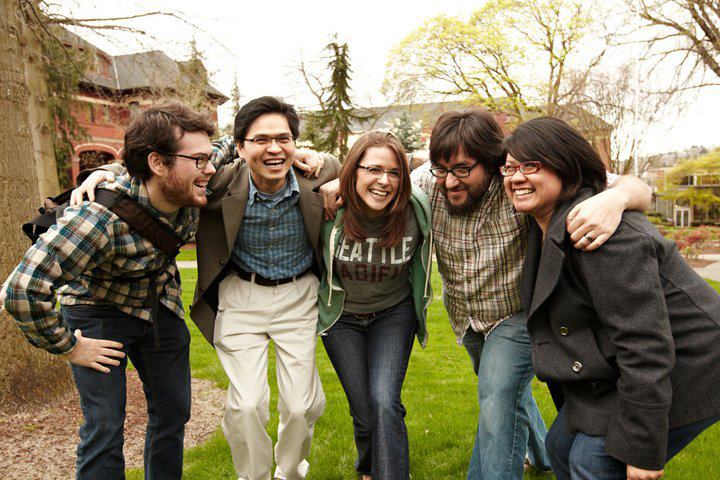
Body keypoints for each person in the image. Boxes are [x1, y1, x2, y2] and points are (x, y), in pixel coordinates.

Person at [317, 108, 652, 479]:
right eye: (441, 169)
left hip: (518, 314)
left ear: (493, 163)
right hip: (468, 321)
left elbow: (637, 187)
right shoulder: (428, 184)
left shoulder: (517, 184)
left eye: (463, 170)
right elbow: (380, 177)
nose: (450, 182)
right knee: (508, 395)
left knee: (497, 399)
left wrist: (616, 200)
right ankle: (542, 458)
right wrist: (338, 183)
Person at [77, 96, 340, 480]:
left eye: (284, 139)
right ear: (239, 147)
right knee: (247, 405)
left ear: (296, 144)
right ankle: (253, 477)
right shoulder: (217, 180)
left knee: (301, 406)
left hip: (298, 295)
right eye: (261, 139)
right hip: (240, 296)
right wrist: (107, 171)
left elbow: (366, 169)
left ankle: (289, 473)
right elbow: (164, 164)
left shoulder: (317, 173)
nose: (274, 149)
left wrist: (334, 177)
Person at [4, 103, 216, 479]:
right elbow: (21, 290)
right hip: (95, 312)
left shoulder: (187, 181)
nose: (211, 169)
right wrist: (70, 346)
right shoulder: (96, 219)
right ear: (157, 163)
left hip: (156, 306)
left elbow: (245, 144)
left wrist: (310, 157)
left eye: (209, 158)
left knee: (173, 413)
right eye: (200, 161)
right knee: (104, 427)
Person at [502, 116, 720, 480]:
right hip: (614, 372)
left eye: (530, 165)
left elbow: (645, 344)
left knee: (594, 464)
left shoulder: (602, 234)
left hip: (692, 362)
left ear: (566, 168)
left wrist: (643, 450)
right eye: (509, 167)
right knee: (559, 446)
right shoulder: (543, 221)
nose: (516, 177)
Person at [316, 131, 432, 480]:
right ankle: (369, 465)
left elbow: (448, 160)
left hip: (393, 314)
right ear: (353, 171)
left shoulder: (417, 207)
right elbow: (277, 161)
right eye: (374, 170)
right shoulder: (329, 208)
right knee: (364, 409)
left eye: (395, 172)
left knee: (384, 400)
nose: (385, 181)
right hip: (342, 317)